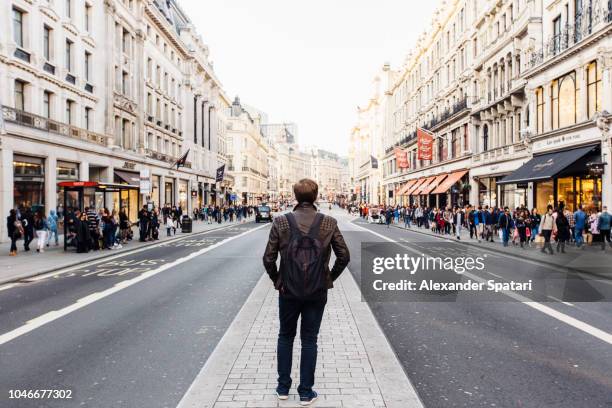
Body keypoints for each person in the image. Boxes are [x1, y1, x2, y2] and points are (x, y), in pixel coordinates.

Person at [263, 179, 350, 406]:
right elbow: (344, 256)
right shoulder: (328, 223)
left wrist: (278, 280)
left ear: (294, 196)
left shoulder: (281, 222)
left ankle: (283, 388)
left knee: (285, 336)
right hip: (316, 291)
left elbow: (268, 259)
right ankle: (305, 392)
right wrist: (328, 278)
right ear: (316, 196)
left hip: (288, 290)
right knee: (309, 340)